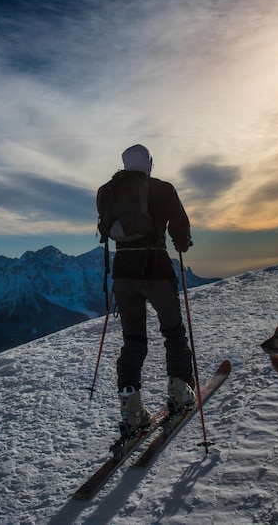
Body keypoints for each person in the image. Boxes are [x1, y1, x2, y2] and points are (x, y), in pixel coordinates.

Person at [109, 144, 195, 436]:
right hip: (155, 269)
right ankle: (180, 392)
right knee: (173, 331)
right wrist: (182, 243)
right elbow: (180, 228)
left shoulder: (109, 190)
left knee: (133, 340)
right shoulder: (162, 189)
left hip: (122, 272)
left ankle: (132, 411)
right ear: (149, 163)